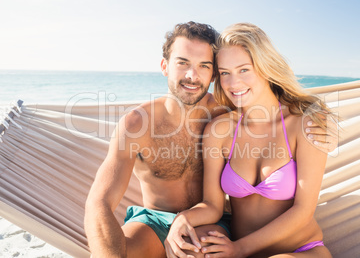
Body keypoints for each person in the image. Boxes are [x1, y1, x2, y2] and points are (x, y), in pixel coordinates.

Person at [84, 21, 336, 257]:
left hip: (259, 237)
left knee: (201, 249)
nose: (193, 76)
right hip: (170, 221)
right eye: (183, 63)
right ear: (165, 66)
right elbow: (100, 202)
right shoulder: (208, 126)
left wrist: (320, 120)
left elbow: (303, 208)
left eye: (204, 65)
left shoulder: (298, 123)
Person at [165, 23, 335, 258]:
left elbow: (303, 211)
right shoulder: (220, 130)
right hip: (239, 249)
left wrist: (239, 248)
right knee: (192, 248)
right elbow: (212, 206)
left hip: (299, 251)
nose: (233, 84)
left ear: (265, 68)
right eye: (225, 73)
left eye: (244, 70)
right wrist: (181, 220)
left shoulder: (304, 124)